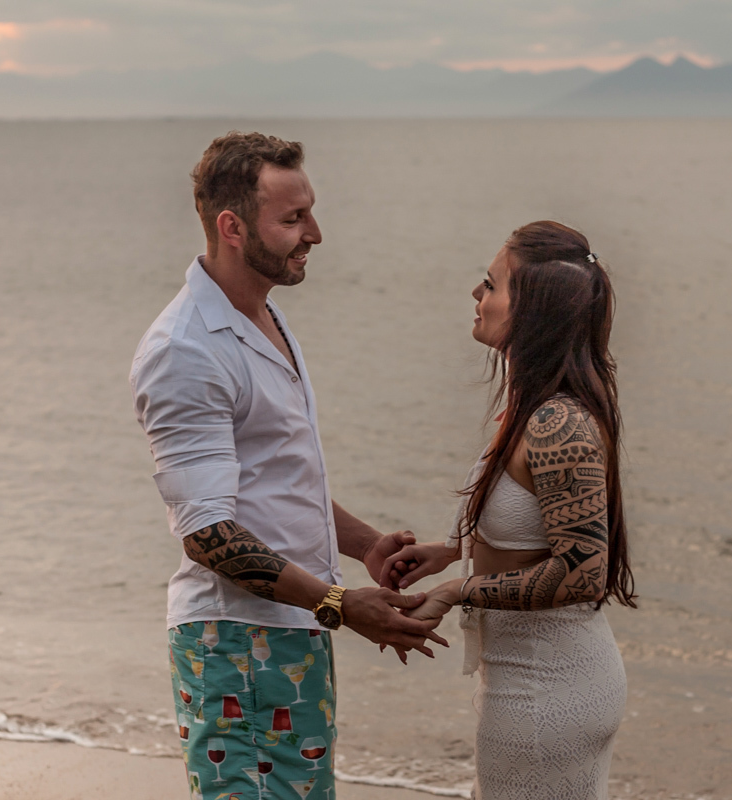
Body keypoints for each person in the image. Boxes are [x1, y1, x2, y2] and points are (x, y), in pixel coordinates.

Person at [130, 131, 447, 799]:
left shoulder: (261, 317)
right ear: (233, 227)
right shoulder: (186, 349)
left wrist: (364, 547)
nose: (316, 233)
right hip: (235, 644)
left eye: (311, 211)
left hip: (292, 633)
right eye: (293, 218)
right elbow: (207, 533)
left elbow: (273, 478)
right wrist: (340, 605)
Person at [384, 221, 637, 799]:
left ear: (531, 310)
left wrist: (456, 590)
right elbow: (533, 522)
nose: (477, 295)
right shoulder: (535, 408)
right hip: (527, 676)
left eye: (490, 284)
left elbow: (581, 572)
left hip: (550, 689)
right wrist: (452, 550)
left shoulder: (557, 423)